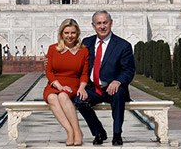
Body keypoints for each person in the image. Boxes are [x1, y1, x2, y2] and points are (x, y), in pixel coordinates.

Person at [74, 10, 135, 146]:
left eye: (105, 23)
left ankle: (117, 134)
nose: (102, 26)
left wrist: (118, 81)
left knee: (118, 94)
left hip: (112, 87)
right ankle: (99, 131)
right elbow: (76, 61)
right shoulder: (87, 43)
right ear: (93, 25)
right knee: (79, 100)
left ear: (111, 23)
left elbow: (129, 70)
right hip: (93, 88)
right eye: (99, 23)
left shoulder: (122, 45)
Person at [44, 18, 89, 146]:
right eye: (67, 33)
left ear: (78, 34)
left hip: (73, 83)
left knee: (63, 96)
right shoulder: (53, 49)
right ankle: (70, 131)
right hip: (55, 84)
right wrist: (58, 85)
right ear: (61, 34)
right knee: (52, 97)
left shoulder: (83, 51)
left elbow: (84, 73)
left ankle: (77, 131)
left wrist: (82, 88)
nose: (70, 36)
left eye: (73, 33)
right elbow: (49, 71)